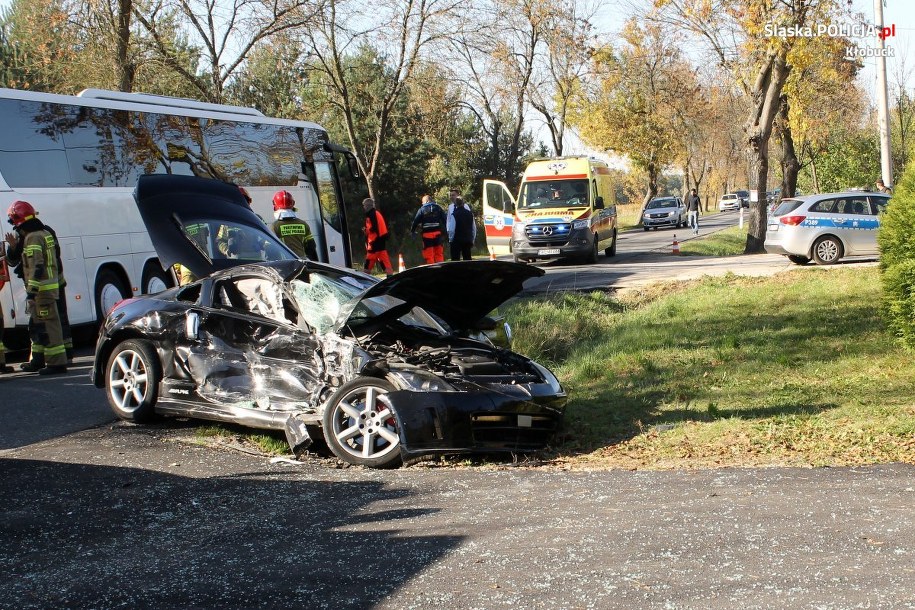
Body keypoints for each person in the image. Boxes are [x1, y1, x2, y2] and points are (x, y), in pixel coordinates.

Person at [6, 201, 67, 375]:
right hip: (46, 289)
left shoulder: (32, 238)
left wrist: (31, 294)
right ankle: (38, 360)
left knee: (49, 326)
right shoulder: (44, 233)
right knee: (38, 325)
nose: (15, 228)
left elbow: (36, 266)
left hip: (41, 291)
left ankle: (56, 364)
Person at [271, 190, 318, 260]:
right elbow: (311, 246)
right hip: (301, 261)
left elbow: (270, 249)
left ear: (275, 205)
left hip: (285, 262)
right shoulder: (303, 224)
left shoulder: (275, 226)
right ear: (293, 204)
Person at [411, 194, 447, 264]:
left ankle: (431, 268)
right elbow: (445, 219)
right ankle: (440, 266)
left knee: (429, 254)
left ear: (427, 201)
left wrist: (413, 231)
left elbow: (415, 221)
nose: (422, 204)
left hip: (427, 235)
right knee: (439, 252)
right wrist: (446, 230)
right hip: (437, 233)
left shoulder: (422, 209)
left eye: (423, 202)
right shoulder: (438, 208)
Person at [362, 198, 393, 276]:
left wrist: (366, 230)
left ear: (367, 206)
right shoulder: (376, 213)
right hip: (381, 242)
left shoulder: (371, 215)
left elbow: (374, 228)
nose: (363, 207)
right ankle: (391, 277)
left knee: (368, 263)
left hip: (374, 243)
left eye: (364, 205)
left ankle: (364, 279)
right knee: (385, 262)